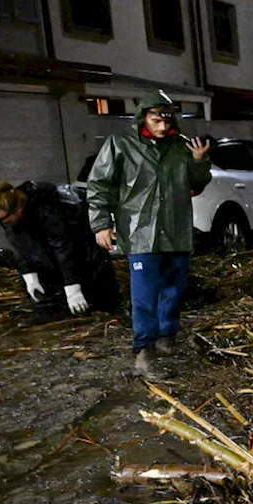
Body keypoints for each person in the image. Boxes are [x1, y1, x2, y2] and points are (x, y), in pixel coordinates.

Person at [86, 90, 211, 379]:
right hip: (140, 231)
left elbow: (197, 184)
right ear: (144, 117)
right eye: (157, 120)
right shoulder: (121, 144)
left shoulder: (181, 147)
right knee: (144, 294)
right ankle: (144, 352)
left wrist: (199, 161)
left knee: (173, 289)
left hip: (176, 230)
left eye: (167, 120)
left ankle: (166, 338)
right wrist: (101, 223)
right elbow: (99, 185)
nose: (163, 126)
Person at [0, 181, 120, 319]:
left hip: (84, 251)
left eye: (5, 220)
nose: (3, 224)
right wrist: (29, 276)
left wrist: (72, 286)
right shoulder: (12, 221)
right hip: (52, 261)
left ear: (18, 208)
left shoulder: (50, 206)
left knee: (99, 301)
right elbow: (21, 249)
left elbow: (64, 248)